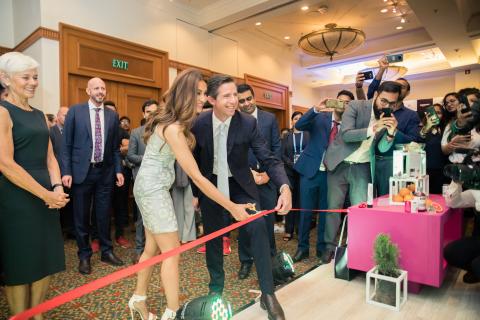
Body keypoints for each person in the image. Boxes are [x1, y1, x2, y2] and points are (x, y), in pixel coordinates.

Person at [129, 69, 252, 320]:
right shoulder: (173, 128)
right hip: (153, 189)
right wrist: (232, 206)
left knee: (152, 248)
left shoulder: (176, 122)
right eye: (197, 93)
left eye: (205, 93)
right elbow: (197, 177)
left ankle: (138, 301)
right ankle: (172, 312)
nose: (202, 98)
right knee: (172, 251)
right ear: (185, 93)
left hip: (150, 186)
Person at [191, 75, 292, 320]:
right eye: (227, 95)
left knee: (259, 227)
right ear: (211, 99)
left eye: (235, 94)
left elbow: (268, 157)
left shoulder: (247, 123)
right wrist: (195, 195)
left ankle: (268, 294)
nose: (234, 100)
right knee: (214, 238)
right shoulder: (198, 123)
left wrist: (284, 186)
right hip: (211, 184)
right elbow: (192, 161)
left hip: (240, 184)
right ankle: (216, 290)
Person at [0, 52, 69, 319]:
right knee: (20, 260)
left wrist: (57, 188)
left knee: (45, 256)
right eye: (26, 77)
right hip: (16, 195)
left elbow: (50, 156)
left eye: (36, 77)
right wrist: (44, 194)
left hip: (45, 194)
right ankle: (20, 316)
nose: (33, 82)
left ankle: (38, 312)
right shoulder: (3, 112)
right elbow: (5, 164)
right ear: (5, 79)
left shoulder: (40, 114)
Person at [323, 81, 403, 262]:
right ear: (375, 96)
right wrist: (374, 128)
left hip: (363, 166)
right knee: (333, 208)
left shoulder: (389, 117)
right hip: (340, 163)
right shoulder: (356, 106)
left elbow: (381, 149)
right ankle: (329, 247)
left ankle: (357, 246)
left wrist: (390, 134)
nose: (387, 106)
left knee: (360, 210)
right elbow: (346, 134)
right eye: (383, 101)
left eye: (392, 103)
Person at [61, 77, 125, 275]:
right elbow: (66, 145)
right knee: (81, 216)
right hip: (81, 173)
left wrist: (118, 170)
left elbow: (115, 148)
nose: (100, 91)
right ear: (88, 91)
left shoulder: (112, 116)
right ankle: (84, 255)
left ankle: (107, 251)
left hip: (104, 173)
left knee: (104, 214)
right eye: (96, 88)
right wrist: (66, 171)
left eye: (103, 88)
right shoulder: (75, 112)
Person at [292, 90, 353, 264]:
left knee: (325, 213)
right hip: (310, 171)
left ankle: (321, 248)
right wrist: (315, 109)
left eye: (347, 102)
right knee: (305, 212)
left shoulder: (350, 125)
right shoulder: (321, 117)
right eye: (340, 100)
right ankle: (302, 248)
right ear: (334, 101)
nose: (343, 104)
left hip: (332, 174)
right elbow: (300, 125)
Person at [237, 83, 282, 280]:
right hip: (243, 180)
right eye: (241, 101)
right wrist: (246, 173)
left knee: (267, 220)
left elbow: (276, 149)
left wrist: (268, 175)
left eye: (248, 99)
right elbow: (232, 151)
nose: (246, 104)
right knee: (245, 223)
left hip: (267, 179)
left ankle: (270, 260)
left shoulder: (269, 119)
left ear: (254, 98)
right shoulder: (233, 121)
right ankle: (246, 261)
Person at [127, 99, 158, 263]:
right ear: (143, 114)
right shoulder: (136, 132)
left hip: (160, 181)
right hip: (142, 181)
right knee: (141, 218)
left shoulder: (163, 131)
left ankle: (155, 248)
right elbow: (130, 155)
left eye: (155, 112)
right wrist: (148, 158)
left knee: (157, 216)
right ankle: (139, 249)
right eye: (148, 112)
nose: (152, 115)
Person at [281, 111, 309, 242]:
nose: (298, 120)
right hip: (290, 171)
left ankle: (300, 230)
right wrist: (291, 164)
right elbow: (282, 154)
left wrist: (302, 164)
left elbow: (310, 152)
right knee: (289, 200)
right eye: (295, 118)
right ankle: (288, 230)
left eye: (300, 118)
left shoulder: (309, 135)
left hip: (304, 171)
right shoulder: (286, 137)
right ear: (291, 121)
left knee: (302, 201)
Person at [50, 106, 75, 239]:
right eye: (65, 115)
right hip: (57, 175)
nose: (67, 118)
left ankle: (71, 230)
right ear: (58, 116)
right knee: (59, 204)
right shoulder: (51, 131)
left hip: (72, 174)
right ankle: (59, 231)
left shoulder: (72, 132)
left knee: (71, 203)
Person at [420, 103, 448, 194]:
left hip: (442, 172)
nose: (436, 115)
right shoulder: (421, 129)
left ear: (443, 115)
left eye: (439, 113)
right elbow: (417, 142)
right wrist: (427, 127)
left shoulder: (446, 130)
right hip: (424, 172)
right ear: (427, 115)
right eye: (433, 113)